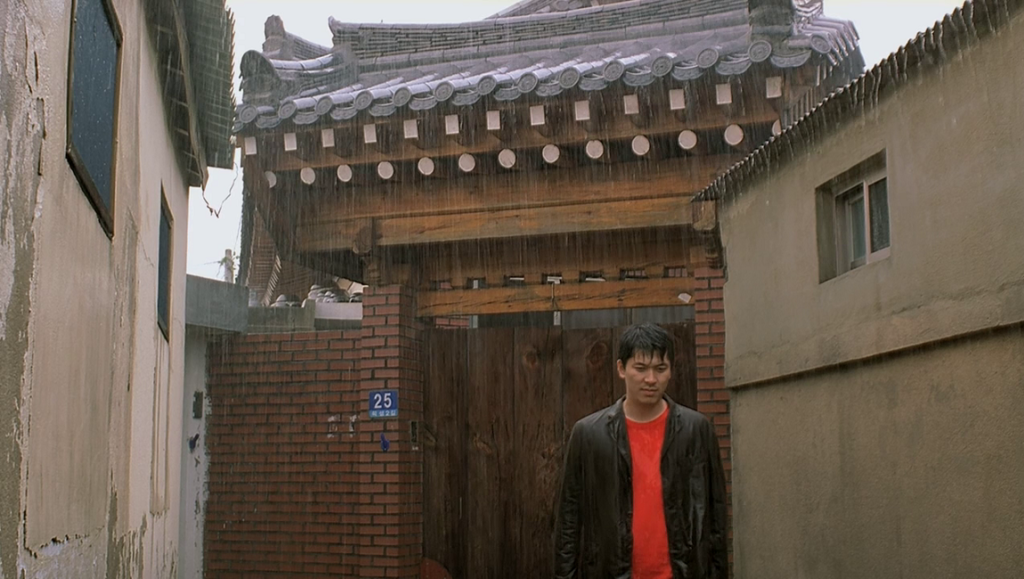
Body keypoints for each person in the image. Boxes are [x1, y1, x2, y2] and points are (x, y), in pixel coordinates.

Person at [554, 323, 728, 579]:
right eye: (641, 368)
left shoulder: (696, 430)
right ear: (621, 368)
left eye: (660, 369)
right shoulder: (589, 434)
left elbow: (716, 517)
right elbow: (568, 521)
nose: (651, 379)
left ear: (671, 371)